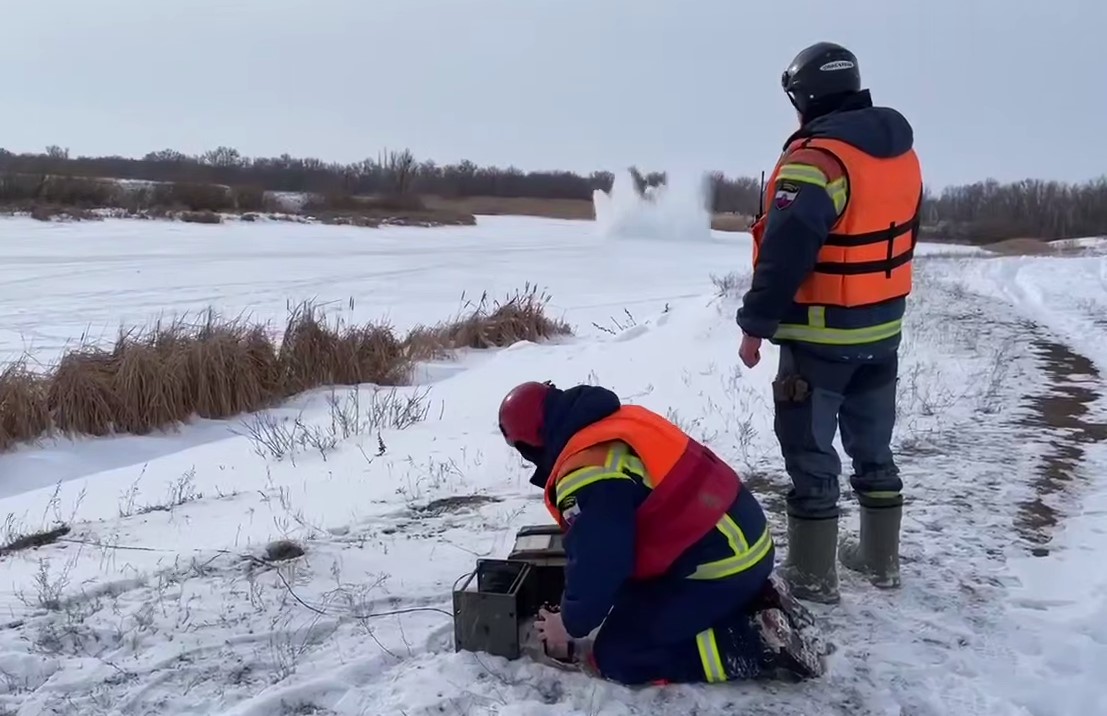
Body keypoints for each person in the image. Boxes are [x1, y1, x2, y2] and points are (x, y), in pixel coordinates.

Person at [735, 41, 923, 605]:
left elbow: (786, 250)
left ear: (806, 96)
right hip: (882, 331)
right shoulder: (901, 155)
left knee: (810, 451)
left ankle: (814, 576)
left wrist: (755, 324)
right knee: (873, 445)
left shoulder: (814, 162)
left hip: (820, 336)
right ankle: (880, 560)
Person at [496, 380, 826, 686]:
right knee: (627, 601)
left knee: (619, 655)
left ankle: (755, 645)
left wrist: (568, 624)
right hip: (742, 541)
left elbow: (603, 561)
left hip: (718, 565)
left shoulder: (585, 471)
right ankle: (758, 598)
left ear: (528, 445)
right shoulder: (616, 423)